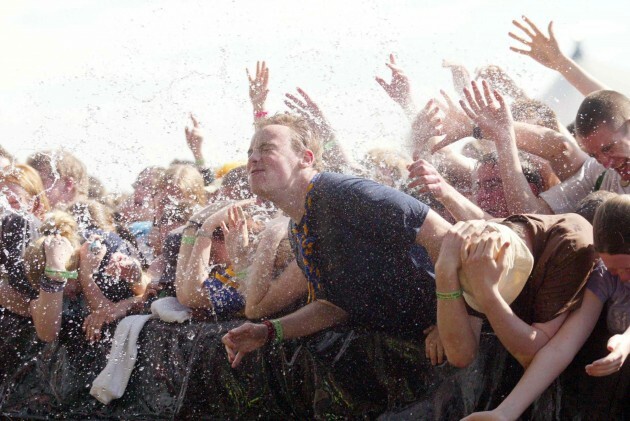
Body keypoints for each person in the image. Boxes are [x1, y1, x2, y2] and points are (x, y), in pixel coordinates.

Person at [221, 113, 452, 368]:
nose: (253, 158)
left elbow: (445, 237)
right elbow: (333, 306)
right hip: (410, 344)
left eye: (267, 149)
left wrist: (450, 318)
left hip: (460, 328)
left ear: (305, 158)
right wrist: (267, 331)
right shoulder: (298, 227)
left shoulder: (345, 193)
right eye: (250, 151)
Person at [463, 195, 630, 420]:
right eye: (614, 270)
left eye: (627, 268)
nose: (622, 277)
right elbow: (562, 347)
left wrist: (625, 342)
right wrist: (505, 412)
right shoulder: (604, 277)